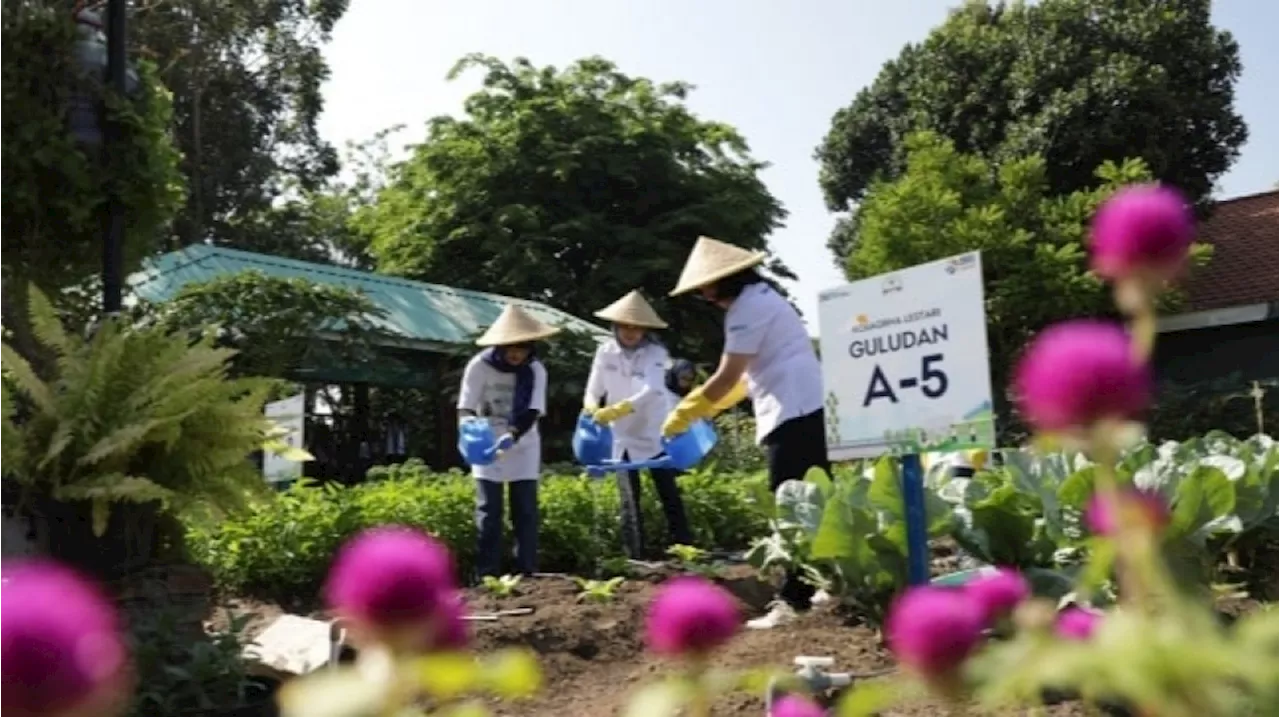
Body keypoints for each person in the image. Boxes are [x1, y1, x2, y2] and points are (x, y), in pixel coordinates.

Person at [662, 236, 828, 629]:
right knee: (813, 500)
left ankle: (795, 599)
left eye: (706, 286)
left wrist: (687, 410)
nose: (704, 294)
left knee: (789, 504)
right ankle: (825, 585)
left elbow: (727, 377)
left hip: (793, 408)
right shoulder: (764, 297)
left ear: (725, 280)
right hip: (805, 404)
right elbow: (742, 381)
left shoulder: (746, 309)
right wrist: (708, 406)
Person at [584, 290, 693, 558]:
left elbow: (652, 388)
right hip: (620, 434)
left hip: (651, 429)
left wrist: (621, 408)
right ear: (616, 327)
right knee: (629, 497)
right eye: (625, 326)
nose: (631, 332)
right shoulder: (604, 352)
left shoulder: (656, 352)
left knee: (667, 490)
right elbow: (593, 388)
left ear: (645, 329)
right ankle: (634, 555)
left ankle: (685, 549)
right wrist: (591, 407)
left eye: (637, 327)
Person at [457, 304, 559, 578]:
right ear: (499, 345)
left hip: (523, 442)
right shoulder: (479, 365)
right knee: (489, 510)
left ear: (531, 347)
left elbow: (533, 410)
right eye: (510, 347)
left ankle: (527, 571)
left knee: (525, 509)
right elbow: (466, 405)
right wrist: (467, 427)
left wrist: (512, 436)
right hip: (486, 440)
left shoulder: (536, 370)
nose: (516, 353)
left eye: (522, 347)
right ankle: (486, 574)